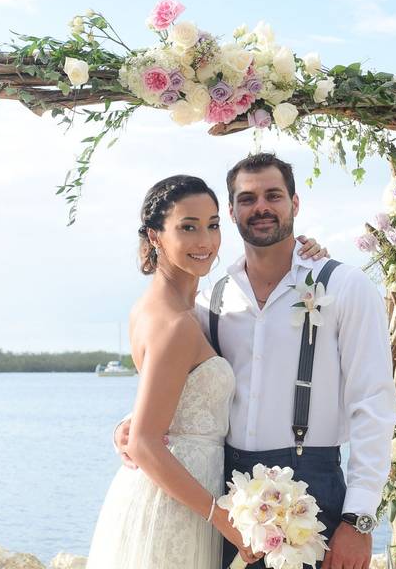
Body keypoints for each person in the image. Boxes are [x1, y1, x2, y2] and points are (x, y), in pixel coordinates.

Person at [115, 154, 396, 569]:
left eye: (273, 196)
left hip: (314, 485)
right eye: (247, 199)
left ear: (295, 204)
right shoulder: (213, 298)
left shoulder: (343, 286)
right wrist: (129, 425)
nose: (261, 207)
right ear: (231, 212)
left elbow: (373, 405)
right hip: (225, 494)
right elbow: (182, 380)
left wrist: (359, 519)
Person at [85, 174, 329, 569]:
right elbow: (146, 443)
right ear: (155, 236)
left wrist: (303, 256)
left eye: (213, 225)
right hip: (174, 507)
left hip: (186, 496)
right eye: (188, 227)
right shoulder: (174, 323)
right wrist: (224, 519)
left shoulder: (182, 311)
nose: (205, 241)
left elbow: (165, 407)